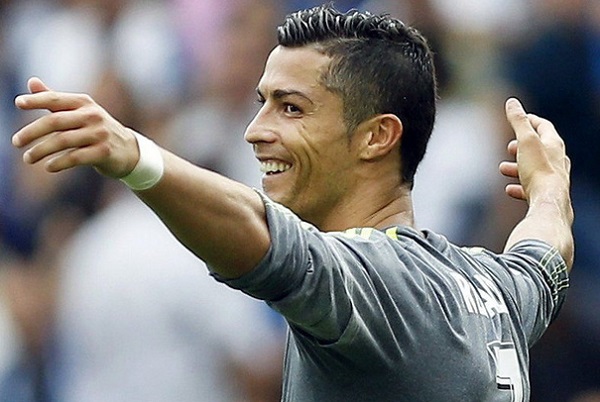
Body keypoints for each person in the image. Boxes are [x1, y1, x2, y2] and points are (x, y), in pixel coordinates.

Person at [11, 4, 573, 402]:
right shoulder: (493, 287)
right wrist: (549, 188)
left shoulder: (372, 281)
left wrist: (135, 155)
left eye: (291, 108)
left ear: (377, 136)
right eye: (262, 103)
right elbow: (545, 254)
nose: (255, 131)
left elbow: (263, 237)